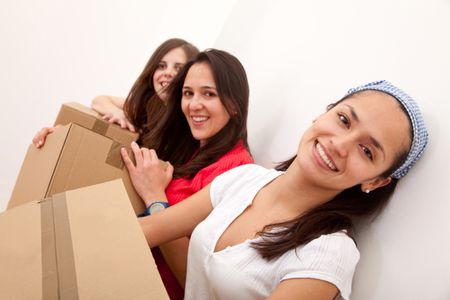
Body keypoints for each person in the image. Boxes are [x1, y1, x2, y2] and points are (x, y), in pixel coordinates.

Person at [138, 80, 428, 300]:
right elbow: (158, 236)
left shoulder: (327, 253)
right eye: (343, 120)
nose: (338, 145)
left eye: (366, 150)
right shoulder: (245, 178)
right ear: (323, 114)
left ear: (375, 181)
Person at [120, 49, 253, 299]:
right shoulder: (191, 145)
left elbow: (194, 277)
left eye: (209, 94)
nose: (193, 105)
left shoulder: (236, 171)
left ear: (234, 104)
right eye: (188, 93)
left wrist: (155, 198)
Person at [33, 38, 199, 147]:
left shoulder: (193, 123)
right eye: (161, 66)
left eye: (178, 68)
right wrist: (118, 113)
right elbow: (99, 100)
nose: (167, 72)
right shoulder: (149, 106)